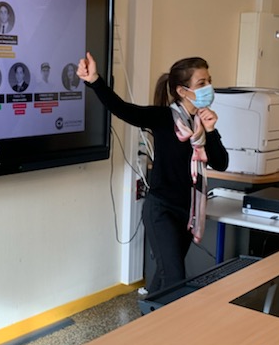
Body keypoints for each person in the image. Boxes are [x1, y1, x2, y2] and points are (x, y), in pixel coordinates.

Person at [77, 51, 229, 295]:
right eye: (202, 83)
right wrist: (95, 80)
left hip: (187, 213)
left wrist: (211, 131)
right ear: (182, 90)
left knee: (164, 277)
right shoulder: (163, 118)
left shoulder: (202, 124)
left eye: (209, 81)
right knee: (175, 279)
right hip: (162, 210)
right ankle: (168, 331)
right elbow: (123, 109)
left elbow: (221, 162)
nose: (208, 88)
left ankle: (146, 325)